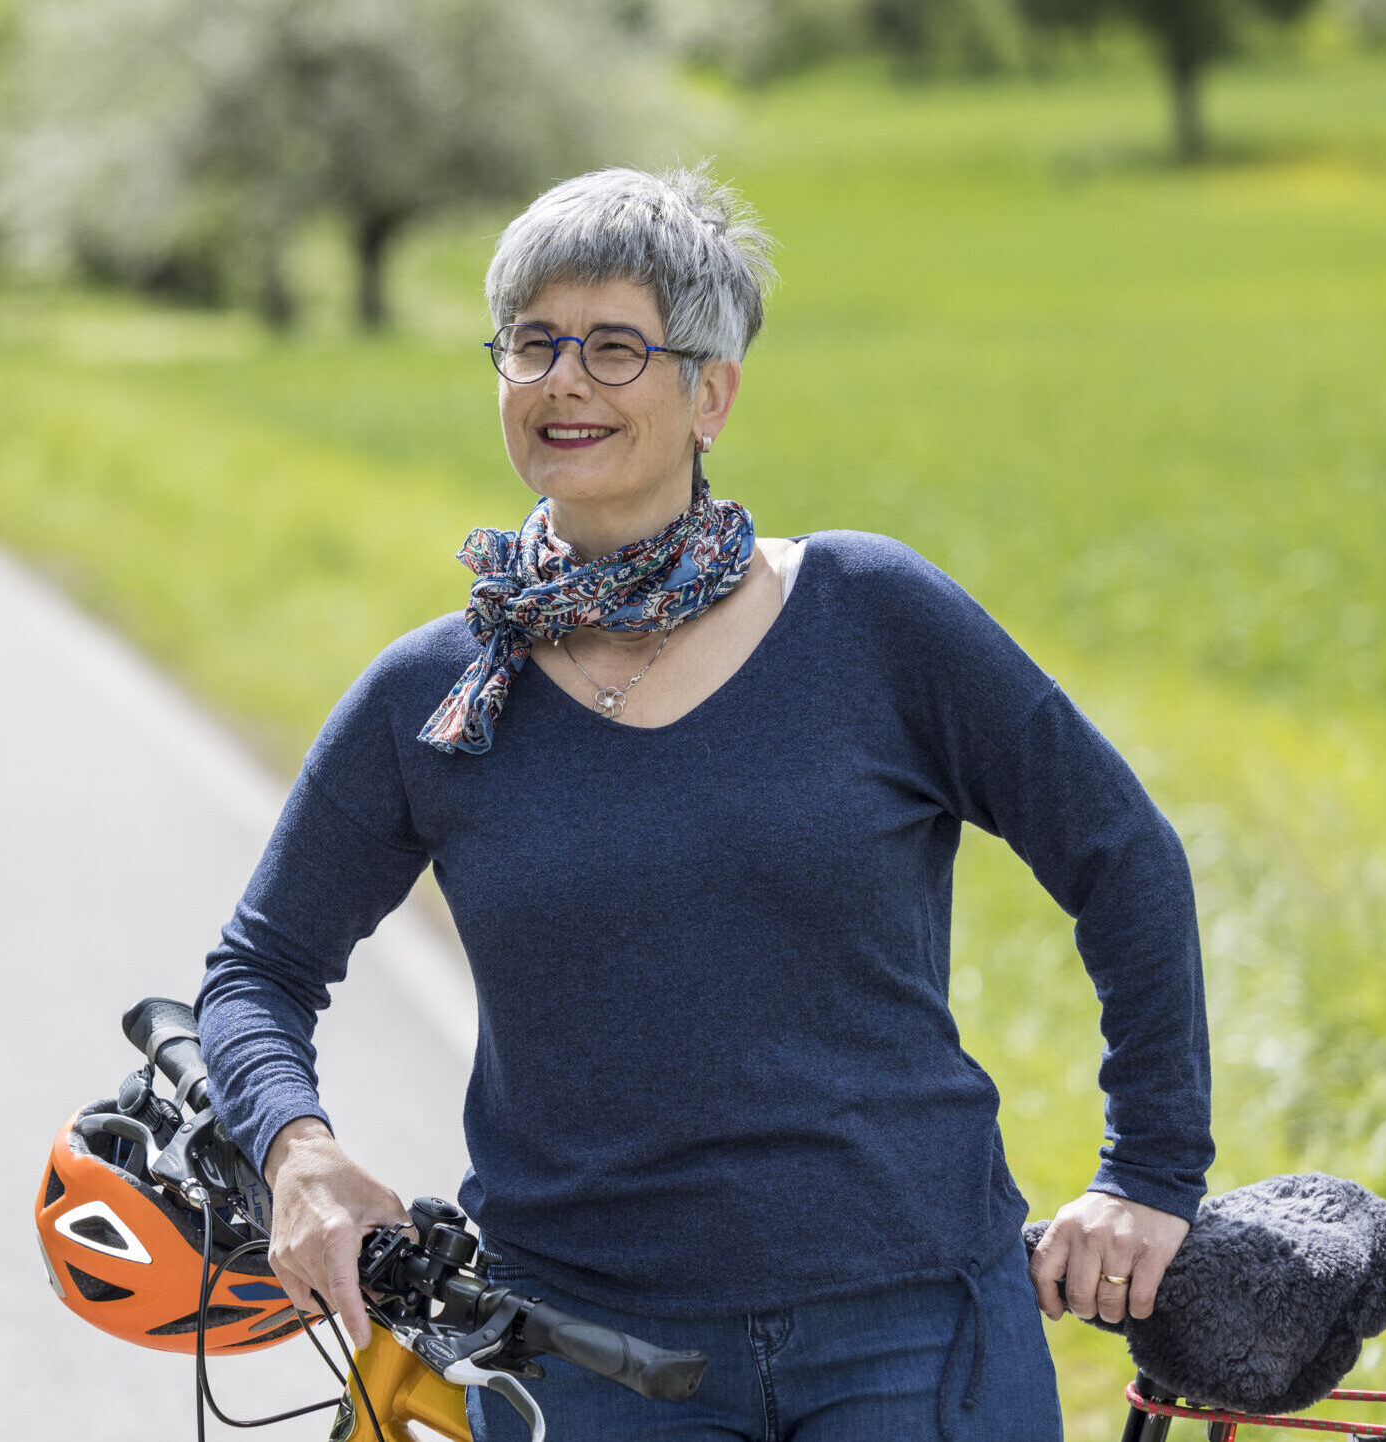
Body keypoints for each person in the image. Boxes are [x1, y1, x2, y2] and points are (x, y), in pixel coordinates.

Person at [192, 165, 1212, 1441]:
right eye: (531, 343)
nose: (564, 380)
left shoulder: (874, 618)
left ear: (710, 391)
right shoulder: (434, 695)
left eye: (615, 347)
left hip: (911, 1329)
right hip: (573, 1353)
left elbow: (1124, 856)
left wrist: (1152, 1175)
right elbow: (257, 969)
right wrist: (298, 1152)